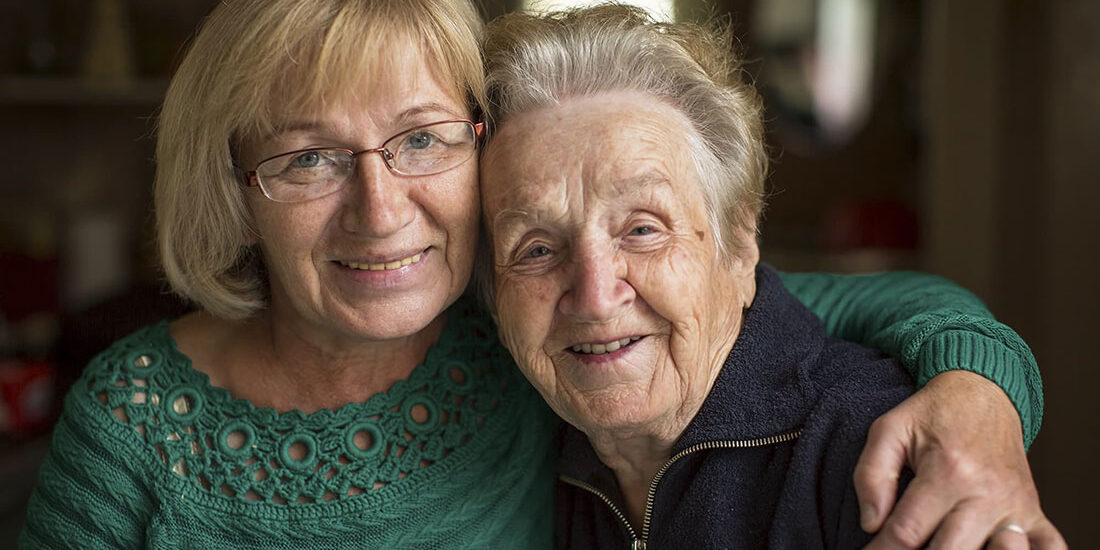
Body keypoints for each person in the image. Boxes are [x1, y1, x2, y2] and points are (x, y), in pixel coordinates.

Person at [17, 1, 1050, 549]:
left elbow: (868, 307)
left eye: (420, 141)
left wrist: (980, 394)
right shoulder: (131, 422)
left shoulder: (518, 328)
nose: (380, 211)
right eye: (307, 158)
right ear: (235, 185)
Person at [478, 4, 1065, 549]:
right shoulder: (514, 447)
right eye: (534, 249)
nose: (596, 296)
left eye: (642, 230)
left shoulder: (873, 454)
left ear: (738, 244)